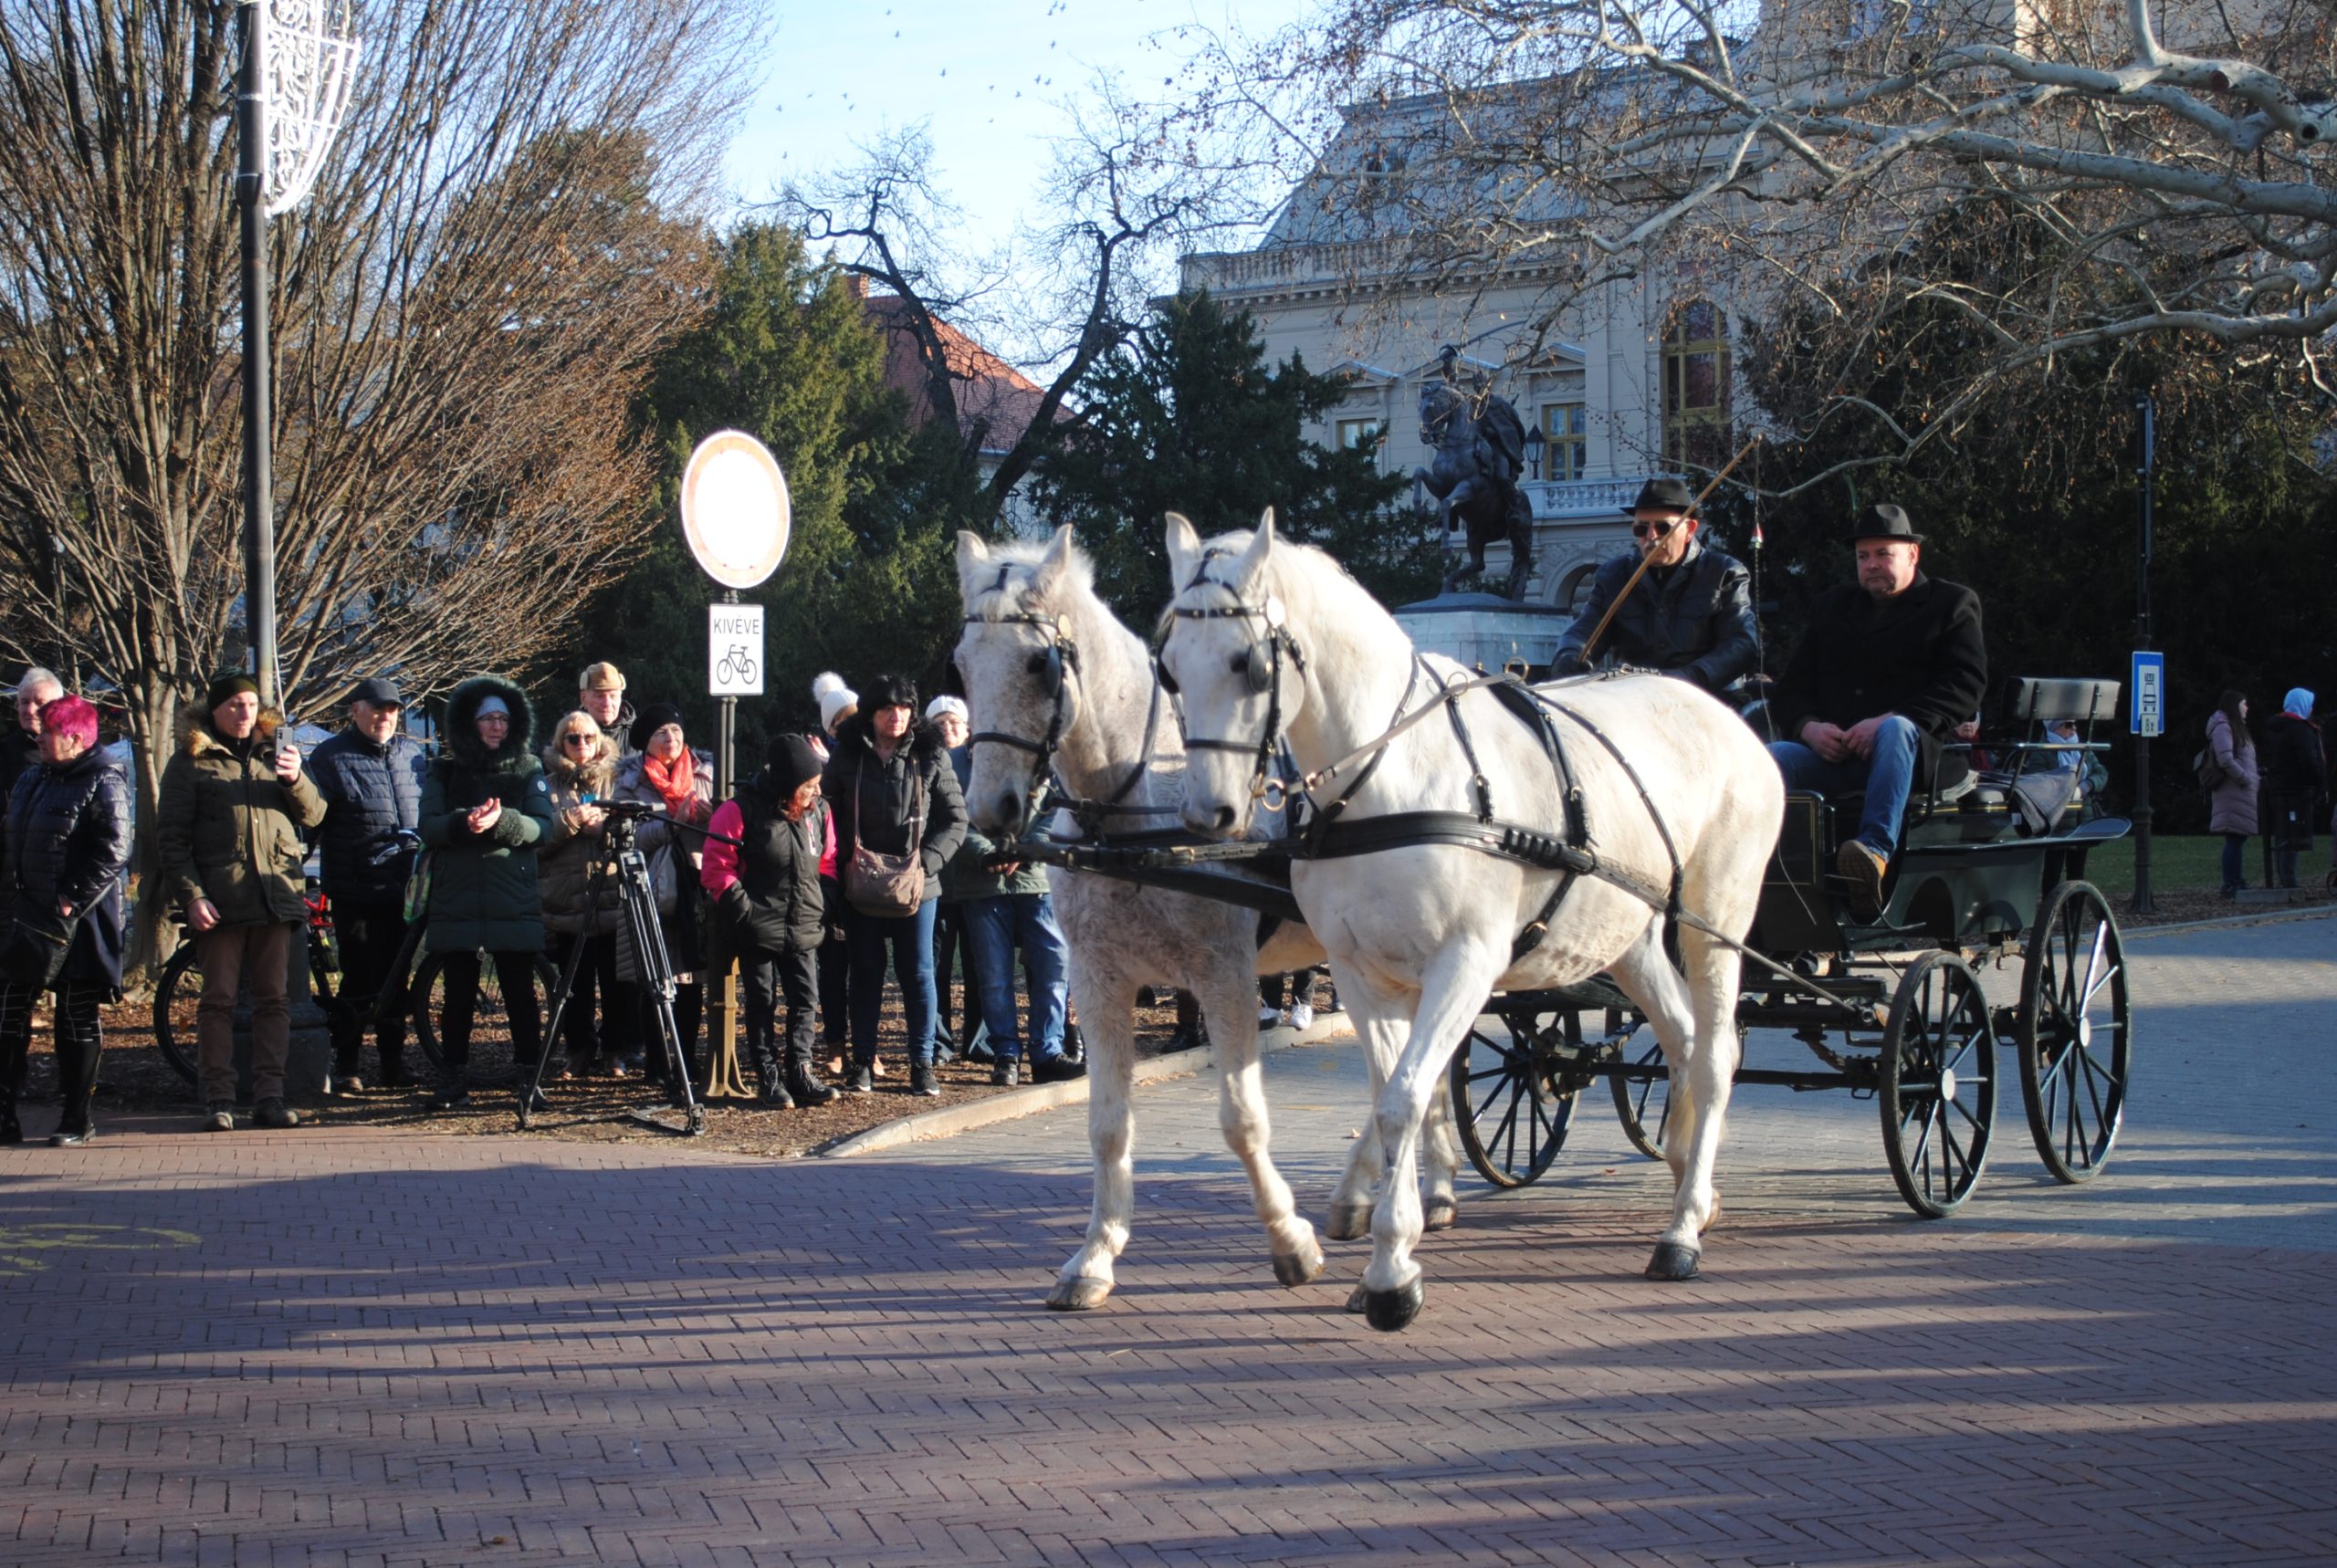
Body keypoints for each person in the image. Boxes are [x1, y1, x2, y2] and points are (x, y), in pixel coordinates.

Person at [1766, 505, 1987, 914]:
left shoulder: (1951, 604)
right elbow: (1790, 689)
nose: (1871, 565)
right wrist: (1808, 728)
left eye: (1883, 554)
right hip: (1837, 758)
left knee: (1896, 730)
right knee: (1778, 756)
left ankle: (1873, 854)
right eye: (1863, 557)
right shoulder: (1832, 607)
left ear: (1911, 555)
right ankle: (1779, 870)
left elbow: (1965, 685)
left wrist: (1888, 720)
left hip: (1919, 758)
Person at [156, 674, 329, 1132]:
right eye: (235, 703)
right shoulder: (191, 761)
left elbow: (315, 814)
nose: (245, 712)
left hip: (276, 899)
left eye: (251, 703)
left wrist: (294, 779)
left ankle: (271, 1097)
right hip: (221, 903)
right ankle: (218, 1098)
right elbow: (171, 841)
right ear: (215, 709)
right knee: (218, 1002)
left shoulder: (278, 753)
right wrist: (193, 897)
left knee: (275, 1001)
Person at [822, 673, 967, 1097]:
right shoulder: (846, 755)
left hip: (918, 889)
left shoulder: (931, 754)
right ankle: (863, 1062)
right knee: (865, 972)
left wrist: (925, 863)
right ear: (870, 713)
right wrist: (845, 862)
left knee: (919, 974)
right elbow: (826, 816)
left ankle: (923, 1064)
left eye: (904, 708)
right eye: (887, 708)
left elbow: (956, 819)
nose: (897, 716)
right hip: (860, 885)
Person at [416, 676, 554, 1110]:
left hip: (511, 895)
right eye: (487, 718)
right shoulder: (444, 769)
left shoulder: (529, 768)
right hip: (457, 897)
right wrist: (465, 822)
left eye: (503, 718)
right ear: (469, 723)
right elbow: (429, 825)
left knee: (519, 990)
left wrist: (503, 822)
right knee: (456, 992)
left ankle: (529, 1079)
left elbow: (542, 827)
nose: (496, 726)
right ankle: (452, 1079)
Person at [0, 695, 131, 1145]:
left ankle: (76, 1117)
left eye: (48, 730)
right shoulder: (34, 775)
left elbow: (114, 848)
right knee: (8, 1011)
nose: (37, 735)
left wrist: (70, 899)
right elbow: (12, 840)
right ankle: (5, 1115)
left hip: (79, 920)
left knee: (76, 1014)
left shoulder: (104, 776)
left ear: (75, 739)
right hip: (22, 913)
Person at [700, 733, 840, 1109]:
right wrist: (745, 912)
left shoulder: (819, 812)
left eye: (817, 785)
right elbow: (717, 867)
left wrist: (823, 904)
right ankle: (768, 1075)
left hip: (805, 923)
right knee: (762, 1000)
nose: (815, 792)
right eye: (808, 786)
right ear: (787, 784)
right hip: (757, 925)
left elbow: (828, 860)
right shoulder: (739, 809)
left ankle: (801, 1071)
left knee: (805, 1000)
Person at [307, 677, 427, 1092]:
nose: (385, 717)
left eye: (392, 710)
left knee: (397, 978)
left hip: (404, 888)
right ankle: (348, 1064)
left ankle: (394, 1062)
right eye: (376, 709)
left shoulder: (413, 756)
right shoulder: (329, 757)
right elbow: (311, 820)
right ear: (355, 710)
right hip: (355, 888)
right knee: (359, 975)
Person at [1550, 477, 1759, 695]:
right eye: (1641, 529)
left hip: (1708, 699)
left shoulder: (1724, 572)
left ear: (1690, 529)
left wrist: (1689, 678)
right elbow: (1585, 628)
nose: (1651, 537)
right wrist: (1570, 655)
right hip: (1634, 698)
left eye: (1662, 527)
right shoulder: (1614, 576)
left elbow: (1742, 644)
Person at [952, 758, 1080, 1088]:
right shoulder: (960, 765)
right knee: (994, 976)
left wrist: (1026, 851)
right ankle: (1006, 1054)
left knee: (1055, 965)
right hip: (983, 883)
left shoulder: (1045, 760)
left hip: (1038, 881)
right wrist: (987, 854)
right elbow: (952, 816)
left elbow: (1057, 810)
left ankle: (1047, 1052)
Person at [613, 703, 714, 1096]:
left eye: (675, 730)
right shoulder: (630, 782)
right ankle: (656, 1062)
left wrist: (707, 818)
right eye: (661, 734)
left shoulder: (707, 775)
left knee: (691, 979)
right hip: (648, 891)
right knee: (652, 979)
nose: (671, 739)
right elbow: (624, 836)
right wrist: (673, 823)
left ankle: (687, 1060)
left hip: (694, 887)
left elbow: (725, 828)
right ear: (646, 744)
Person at [537, 710, 628, 1076]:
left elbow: (630, 830)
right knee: (573, 984)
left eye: (588, 738)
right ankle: (577, 1050)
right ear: (561, 743)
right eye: (573, 739)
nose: (581, 745)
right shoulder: (545, 784)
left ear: (600, 741)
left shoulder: (617, 780)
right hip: (566, 899)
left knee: (615, 982)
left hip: (609, 894)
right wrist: (570, 822)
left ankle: (615, 1051)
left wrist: (603, 832)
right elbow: (537, 840)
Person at [925, 694, 982, 1061]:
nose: (948, 728)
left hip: (978, 885)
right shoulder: (923, 764)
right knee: (934, 970)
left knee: (980, 970)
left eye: (954, 722)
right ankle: (938, 1041)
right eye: (940, 722)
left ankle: (980, 1042)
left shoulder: (982, 765)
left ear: (967, 728)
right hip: (936, 885)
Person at [812, 672, 858, 1074]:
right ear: (829, 729)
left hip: (868, 877)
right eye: (842, 721)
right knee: (832, 966)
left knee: (866, 965)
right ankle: (835, 1045)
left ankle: (867, 1046)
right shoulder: (820, 766)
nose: (852, 727)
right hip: (830, 877)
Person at [2263, 688, 2325, 891]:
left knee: (2282, 834)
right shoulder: (2300, 730)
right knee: (2294, 834)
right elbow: (2309, 760)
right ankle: (2289, 881)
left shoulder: (2274, 728)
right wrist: (2319, 781)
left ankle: (2284, 877)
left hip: (2277, 788)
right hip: (2297, 789)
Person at [2206, 690, 2259, 897]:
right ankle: (2231, 882)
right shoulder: (2224, 727)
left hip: (2240, 791)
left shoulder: (2233, 727)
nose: (2247, 708)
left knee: (2238, 838)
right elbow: (2225, 759)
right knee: (2234, 838)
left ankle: (2236, 879)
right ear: (2234, 705)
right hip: (2234, 791)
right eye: (2244, 704)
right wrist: (2245, 777)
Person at [1, 668, 64, 803]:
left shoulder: (76, 754)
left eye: (40, 703)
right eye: (24, 702)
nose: (30, 710)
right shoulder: (5, 752)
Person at [579, 663, 637, 758]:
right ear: (584, 699)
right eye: (600, 696)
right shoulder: (570, 738)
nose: (607, 703)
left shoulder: (640, 736)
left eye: (613, 696)